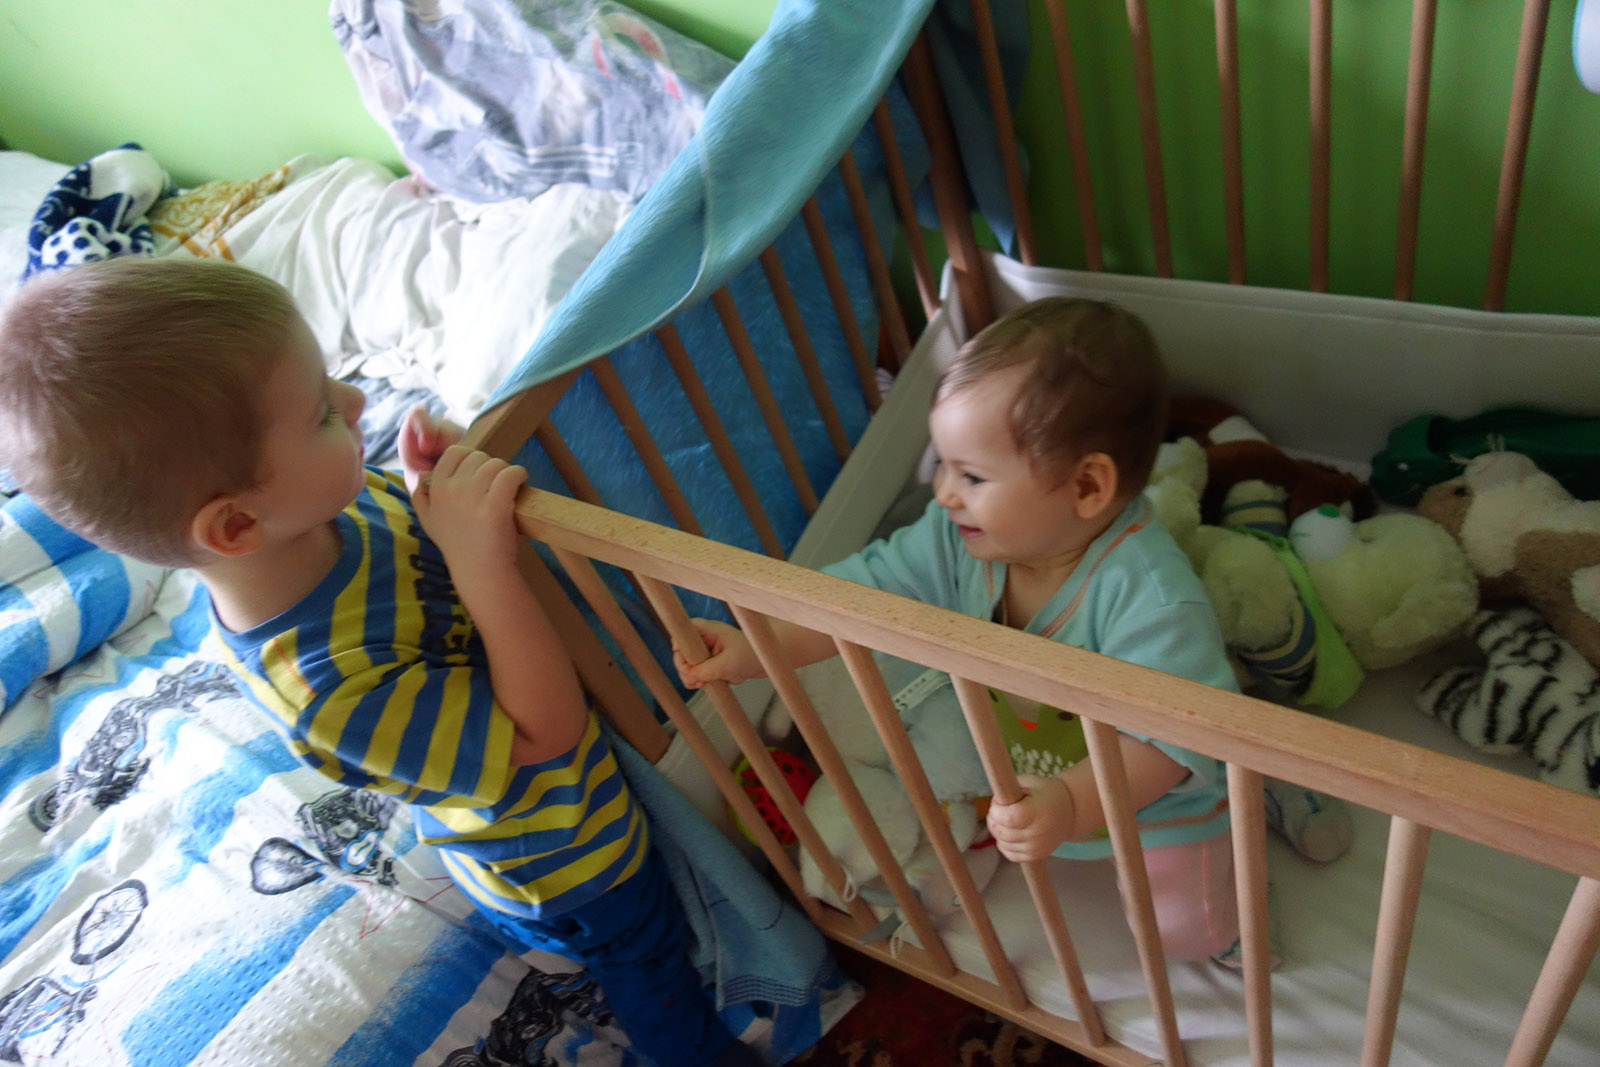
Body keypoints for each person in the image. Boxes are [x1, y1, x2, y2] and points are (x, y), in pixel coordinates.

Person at [0, 256, 760, 1067]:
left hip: (567, 789)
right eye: (323, 412)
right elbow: (546, 731)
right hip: (565, 856)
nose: (359, 401)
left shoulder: (338, 501)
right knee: (649, 960)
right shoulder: (328, 690)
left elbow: (426, 551)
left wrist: (433, 492)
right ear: (235, 525)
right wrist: (480, 562)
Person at [676, 296, 1242, 961]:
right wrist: (759, 646)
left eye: (971, 475)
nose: (944, 492)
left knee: (1183, 935)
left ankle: (1248, 846)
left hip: (1148, 804)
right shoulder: (958, 541)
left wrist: (1071, 804)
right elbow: (859, 599)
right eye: (942, 463)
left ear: (1087, 487)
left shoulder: (1151, 601)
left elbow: (1170, 742)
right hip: (1028, 769)